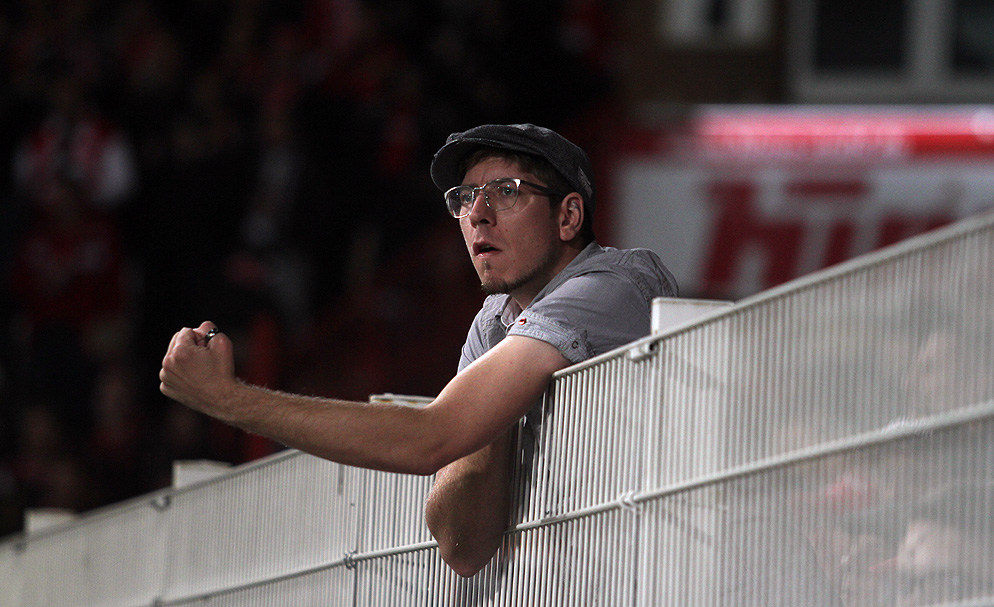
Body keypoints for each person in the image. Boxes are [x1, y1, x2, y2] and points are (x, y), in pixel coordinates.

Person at [159, 123, 677, 577]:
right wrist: (489, 416)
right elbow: (462, 544)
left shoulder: (611, 285)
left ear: (568, 216)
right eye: (466, 197)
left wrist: (227, 399)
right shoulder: (496, 321)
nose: (478, 214)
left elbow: (431, 438)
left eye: (506, 192)